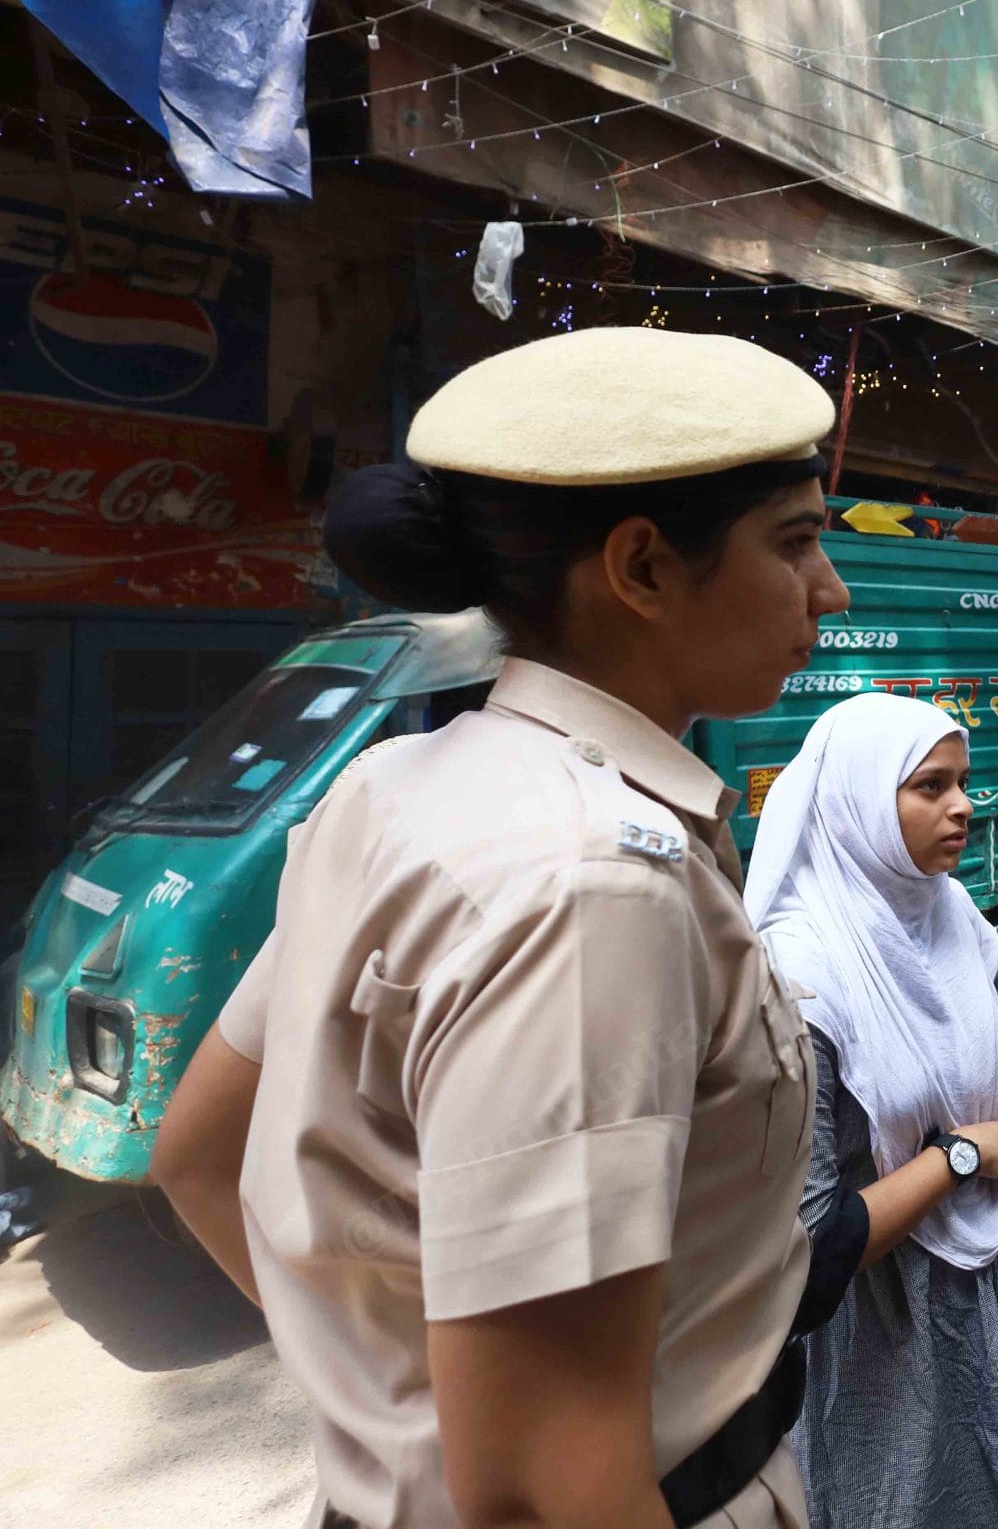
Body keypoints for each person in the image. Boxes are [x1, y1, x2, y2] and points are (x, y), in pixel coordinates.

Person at [149, 328, 849, 1527]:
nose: (829, 590)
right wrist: (468, 1421)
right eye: (793, 543)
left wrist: (395, 1395)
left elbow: (201, 1154)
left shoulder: (398, 789)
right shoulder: (594, 885)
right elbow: (536, 1486)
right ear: (641, 569)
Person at [743, 694, 998, 1528]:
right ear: (858, 798)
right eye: (930, 786)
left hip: (988, 1293)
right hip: (884, 1336)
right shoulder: (803, 979)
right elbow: (812, 1246)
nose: (963, 805)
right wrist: (967, 1154)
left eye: (963, 781)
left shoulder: (942, 905)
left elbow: (984, 970)